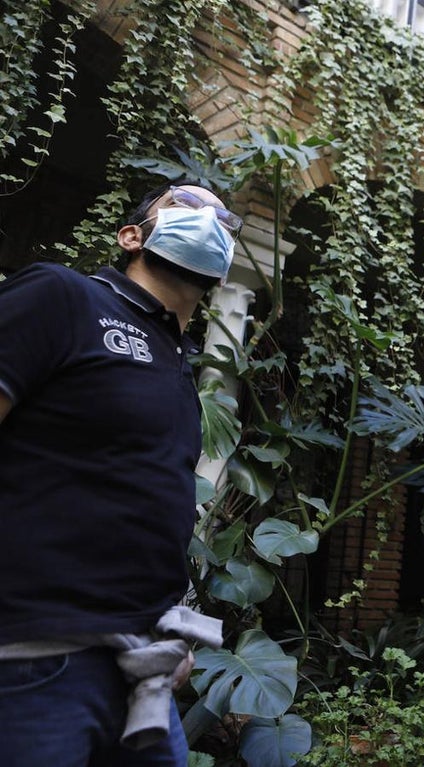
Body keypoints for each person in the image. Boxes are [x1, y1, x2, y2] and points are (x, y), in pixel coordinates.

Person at [0, 182, 238, 767]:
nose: (209, 219)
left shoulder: (177, 366)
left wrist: (165, 622)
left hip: (140, 670)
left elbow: (139, 499)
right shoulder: (64, 297)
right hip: (35, 657)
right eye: (185, 205)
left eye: (223, 219)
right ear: (132, 236)